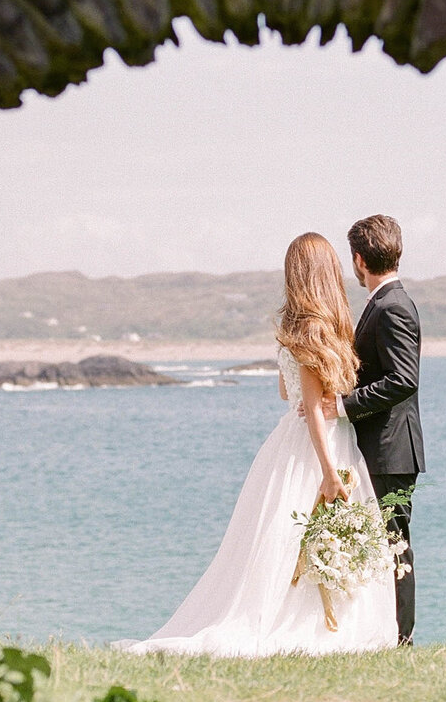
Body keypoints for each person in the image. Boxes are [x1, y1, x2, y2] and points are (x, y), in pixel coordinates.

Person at [125, 232, 397, 656]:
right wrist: (328, 471)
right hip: (320, 445)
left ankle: (325, 619)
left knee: (293, 539)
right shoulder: (314, 331)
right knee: (303, 536)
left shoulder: (296, 329)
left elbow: (285, 395)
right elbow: (306, 404)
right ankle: (315, 624)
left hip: (300, 440)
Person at [320, 215, 424, 645]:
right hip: (380, 449)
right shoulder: (384, 302)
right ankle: (382, 632)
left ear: (359, 260)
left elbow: (404, 379)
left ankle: (401, 638)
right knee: (382, 544)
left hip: (391, 451)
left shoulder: (393, 306)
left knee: (394, 545)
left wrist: (343, 406)